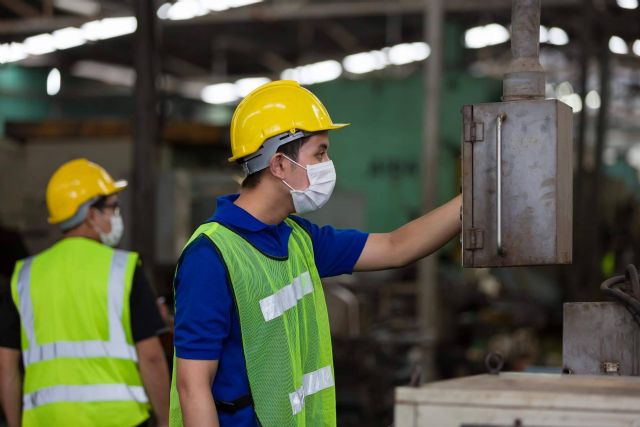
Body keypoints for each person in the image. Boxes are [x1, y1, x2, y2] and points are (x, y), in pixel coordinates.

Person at [170, 80, 462, 427]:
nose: (328, 164)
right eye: (319, 153)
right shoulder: (211, 255)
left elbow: (395, 247)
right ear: (278, 164)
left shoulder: (296, 238)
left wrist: (475, 198)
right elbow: (193, 387)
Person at [0, 159, 170, 427]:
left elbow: (6, 365)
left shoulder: (24, 276)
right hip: (119, 420)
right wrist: (165, 421)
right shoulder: (122, 269)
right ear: (91, 214)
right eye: (113, 208)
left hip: (46, 421)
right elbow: (150, 357)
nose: (116, 217)